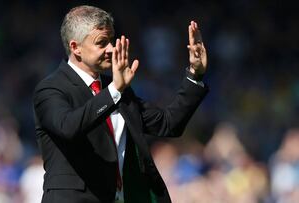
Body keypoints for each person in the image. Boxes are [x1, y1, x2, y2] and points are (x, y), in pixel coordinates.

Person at [33, 5, 208, 203]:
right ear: (75, 47)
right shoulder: (51, 89)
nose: (110, 48)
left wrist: (195, 74)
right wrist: (114, 91)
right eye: (101, 43)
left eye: (111, 41)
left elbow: (168, 123)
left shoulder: (116, 87)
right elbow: (68, 127)